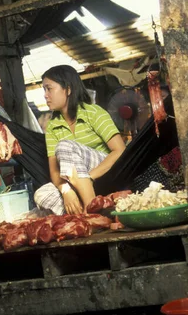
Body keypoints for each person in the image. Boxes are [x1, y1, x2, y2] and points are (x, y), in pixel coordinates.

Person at [33, 65, 126, 215]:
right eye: (44, 90)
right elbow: (54, 170)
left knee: (64, 146)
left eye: (49, 89)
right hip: (72, 178)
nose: (45, 95)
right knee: (42, 195)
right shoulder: (52, 126)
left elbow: (120, 150)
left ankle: (91, 212)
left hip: (105, 173)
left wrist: (88, 177)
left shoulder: (93, 113)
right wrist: (66, 190)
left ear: (68, 89)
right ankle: (84, 215)